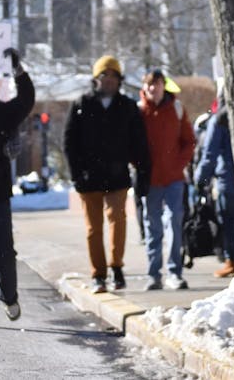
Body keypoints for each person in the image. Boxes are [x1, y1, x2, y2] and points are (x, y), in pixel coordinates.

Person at [64, 55, 151, 294]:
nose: (109, 80)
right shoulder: (81, 104)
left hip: (117, 176)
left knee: (118, 221)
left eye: (113, 76)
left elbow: (139, 143)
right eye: (104, 75)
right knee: (93, 228)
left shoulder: (127, 106)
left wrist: (142, 171)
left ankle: (116, 267)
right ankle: (98, 274)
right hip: (88, 178)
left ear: (120, 80)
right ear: (96, 79)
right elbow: (69, 142)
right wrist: (76, 174)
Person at [138, 69, 197, 291]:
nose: (154, 88)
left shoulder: (177, 109)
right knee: (152, 226)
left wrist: (178, 164)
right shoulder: (138, 112)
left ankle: (175, 272)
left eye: (158, 84)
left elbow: (189, 141)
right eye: (150, 84)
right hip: (149, 179)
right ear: (145, 87)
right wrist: (140, 166)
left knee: (174, 222)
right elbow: (131, 144)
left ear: (164, 86)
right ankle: (154, 274)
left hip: (173, 178)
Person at [0, 48, 35, 320]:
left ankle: (9, 296)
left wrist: (18, 71)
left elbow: (26, 99)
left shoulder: (1, 113)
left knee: (3, 254)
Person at [195, 99, 234, 278]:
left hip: (227, 179)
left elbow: (209, 154)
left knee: (228, 221)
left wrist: (201, 180)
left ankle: (232, 261)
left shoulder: (219, 120)